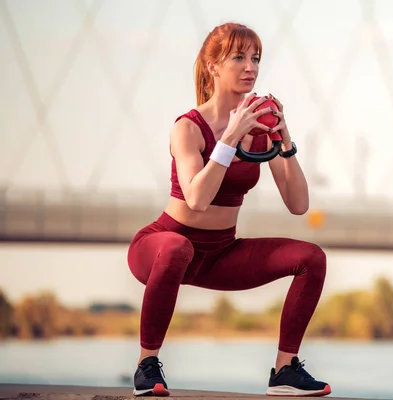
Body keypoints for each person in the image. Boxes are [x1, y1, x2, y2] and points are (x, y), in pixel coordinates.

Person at [126, 22, 331, 397]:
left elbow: (298, 204)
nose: (250, 66)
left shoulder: (258, 129)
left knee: (312, 258)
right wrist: (230, 138)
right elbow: (197, 199)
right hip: (162, 246)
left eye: (255, 58)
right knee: (177, 248)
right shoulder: (188, 128)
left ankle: (285, 371)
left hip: (221, 252)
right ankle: (146, 365)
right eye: (238, 57)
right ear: (212, 66)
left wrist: (284, 139)